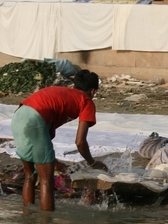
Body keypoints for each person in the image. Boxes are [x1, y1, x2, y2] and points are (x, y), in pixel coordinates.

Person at [11, 69, 108, 211]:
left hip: (18, 117)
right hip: (35, 121)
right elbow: (80, 142)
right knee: (46, 180)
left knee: (30, 175)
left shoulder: (62, 93)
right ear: (93, 91)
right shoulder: (86, 101)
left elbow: (43, 139)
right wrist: (92, 162)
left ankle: (28, 218)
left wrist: (54, 163)